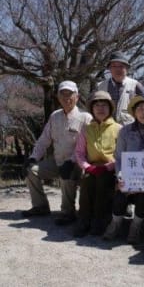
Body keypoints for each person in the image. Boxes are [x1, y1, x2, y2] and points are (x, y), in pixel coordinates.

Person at [22, 81, 92, 225]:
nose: (66, 97)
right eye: (63, 94)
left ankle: (68, 212)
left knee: (67, 175)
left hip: (77, 163)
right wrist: (33, 157)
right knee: (31, 170)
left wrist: (72, 161)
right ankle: (40, 206)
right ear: (58, 97)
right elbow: (44, 140)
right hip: (57, 161)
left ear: (77, 97)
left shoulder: (85, 118)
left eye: (70, 94)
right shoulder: (55, 116)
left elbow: (87, 146)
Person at [103, 95, 144, 244]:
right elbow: (119, 158)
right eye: (140, 108)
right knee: (120, 192)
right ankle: (115, 224)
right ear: (134, 112)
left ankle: (135, 226)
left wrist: (142, 183)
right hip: (127, 175)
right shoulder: (124, 131)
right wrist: (120, 177)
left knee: (143, 195)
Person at [73, 91, 121, 237]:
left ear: (110, 108)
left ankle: (100, 221)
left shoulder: (119, 128)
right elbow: (79, 153)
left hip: (111, 168)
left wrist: (108, 167)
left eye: (104, 105)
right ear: (92, 109)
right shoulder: (86, 129)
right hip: (91, 167)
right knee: (86, 182)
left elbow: (121, 154)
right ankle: (84, 220)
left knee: (103, 183)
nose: (100, 108)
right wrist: (87, 167)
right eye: (97, 105)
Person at [97, 51, 144, 125]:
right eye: (114, 66)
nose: (117, 69)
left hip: (129, 130)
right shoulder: (100, 86)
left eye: (121, 66)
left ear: (126, 68)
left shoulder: (135, 85)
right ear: (109, 69)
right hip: (105, 129)